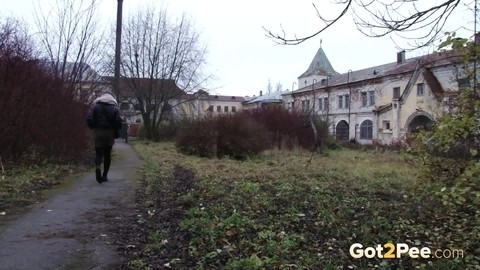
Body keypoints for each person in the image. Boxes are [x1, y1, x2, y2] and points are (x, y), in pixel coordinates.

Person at [86, 90, 123, 183]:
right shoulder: (115, 108)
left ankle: (98, 167)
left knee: (98, 153)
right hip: (109, 133)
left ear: (102, 96)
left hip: (98, 132)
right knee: (107, 154)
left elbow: (89, 118)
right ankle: (105, 175)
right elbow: (119, 121)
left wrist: (94, 126)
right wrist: (115, 129)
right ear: (111, 98)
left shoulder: (95, 106)